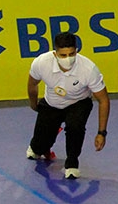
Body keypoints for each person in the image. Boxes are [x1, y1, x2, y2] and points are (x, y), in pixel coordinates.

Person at [26, 31, 110, 179]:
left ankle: (72, 163)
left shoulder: (89, 69)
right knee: (38, 147)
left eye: (71, 54)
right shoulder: (41, 63)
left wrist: (101, 132)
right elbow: (32, 84)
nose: (68, 59)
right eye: (63, 55)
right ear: (55, 53)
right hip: (52, 104)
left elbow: (103, 100)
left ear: (76, 51)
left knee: (75, 127)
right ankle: (41, 143)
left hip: (78, 103)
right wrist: (34, 104)